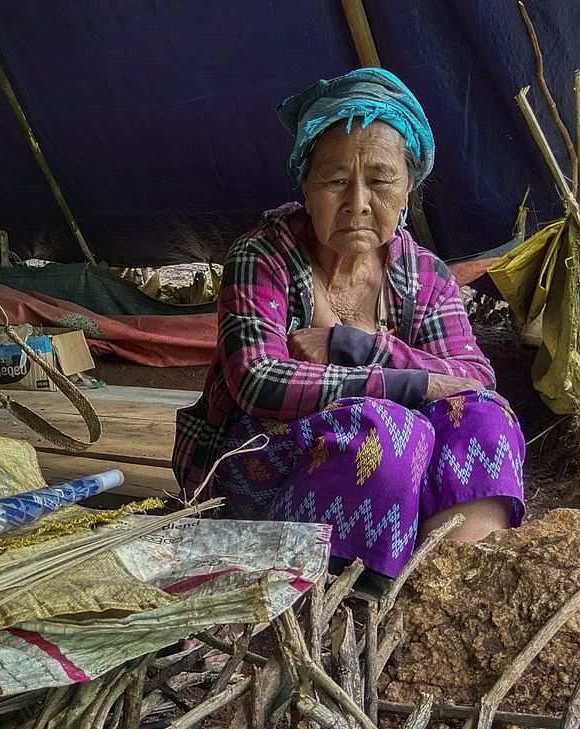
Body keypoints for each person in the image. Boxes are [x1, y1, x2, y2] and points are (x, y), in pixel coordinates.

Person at [172, 68, 525, 582]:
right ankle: (330, 593)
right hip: (251, 480)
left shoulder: (425, 275)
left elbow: (473, 380)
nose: (358, 201)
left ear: (408, 190)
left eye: (381, 180)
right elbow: (258, 380)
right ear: (306, 187)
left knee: (486, 420)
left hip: (389, 480)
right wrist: (411, 384)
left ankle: (438, 588)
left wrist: (354, 344)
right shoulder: (264, 256)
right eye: (335, 180)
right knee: (385, 429)